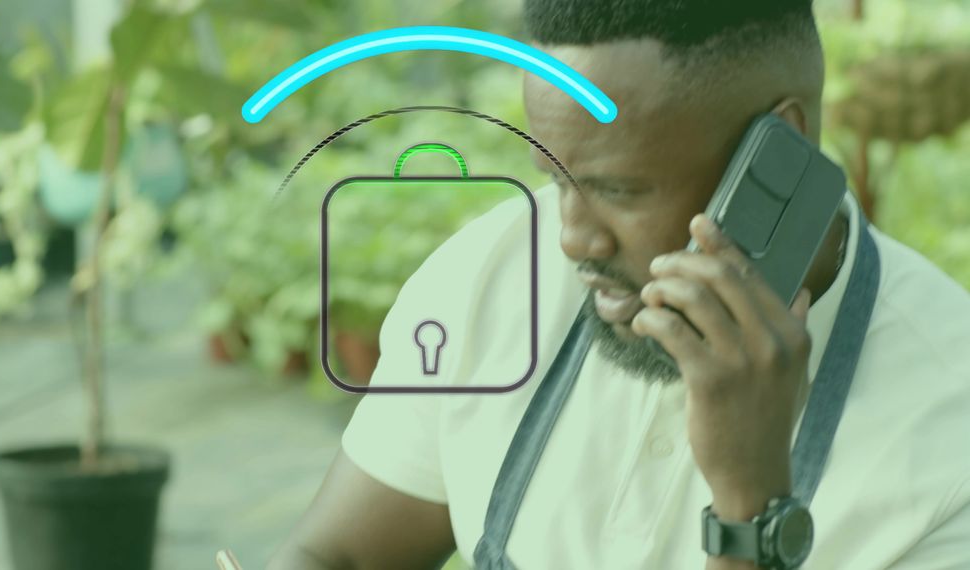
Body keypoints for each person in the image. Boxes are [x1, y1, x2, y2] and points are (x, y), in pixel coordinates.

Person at [267, 1, 970, 568]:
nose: (573, 236)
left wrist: (750, 508)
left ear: (778, 150)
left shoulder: (948, 434)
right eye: (555, 177)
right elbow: (337, 553)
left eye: (617, 188)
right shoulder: (491, 274)